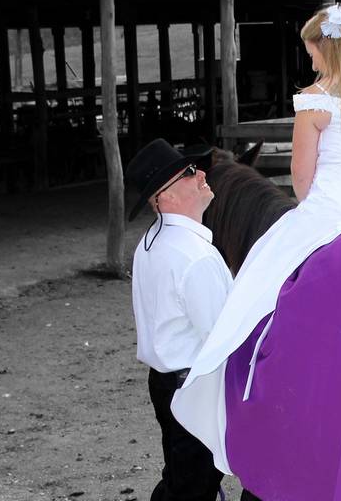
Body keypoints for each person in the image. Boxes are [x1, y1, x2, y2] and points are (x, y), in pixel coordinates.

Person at [172, 2, 341, 481]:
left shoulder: (315, 99)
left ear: (327, 48)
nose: (311, 65)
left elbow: (303, 182)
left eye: (312, 55)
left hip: (335, 214)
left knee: (254, 292)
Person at [125, 138, 232, 501]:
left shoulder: (150, 243)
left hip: (165, 382)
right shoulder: (195, 256)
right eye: (188, 172)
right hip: (194, 386)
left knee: (185, 477)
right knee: (192, 487)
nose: (201, 173)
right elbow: (223, 337)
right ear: (164, 197)